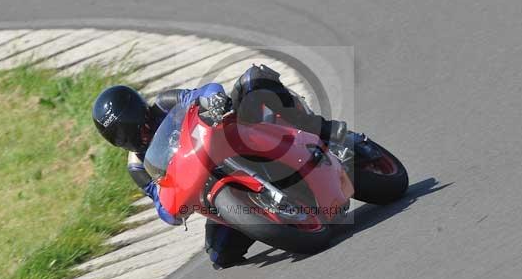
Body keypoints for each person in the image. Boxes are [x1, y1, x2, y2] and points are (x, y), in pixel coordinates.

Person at [92, 64, 346, 268]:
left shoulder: (163, 104)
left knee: (254, 80)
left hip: (230, 140)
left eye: (137, 129)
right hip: (209, 186)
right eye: (123, 138)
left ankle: (320, 128)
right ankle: (278, 216)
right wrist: (171, 210)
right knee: (219, 255)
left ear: (142, 112)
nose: (139, 138)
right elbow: (160, 200)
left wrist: (211, 98)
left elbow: (200, 93)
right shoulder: (137, 167)